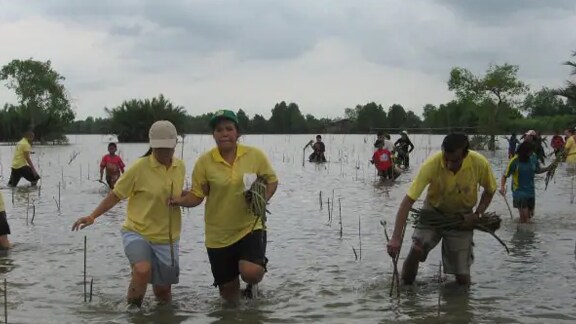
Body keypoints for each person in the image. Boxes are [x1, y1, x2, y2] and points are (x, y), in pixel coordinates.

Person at [72, 120, 186, 307]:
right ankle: (133, 313)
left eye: (168, 148)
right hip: (137, 231)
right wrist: (92, 216)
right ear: (151, 145)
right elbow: (116, 194)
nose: (164, 153)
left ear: (175, 144)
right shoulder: (138, 168)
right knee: (142, 270)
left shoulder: (179, 167)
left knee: (163, 292)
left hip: (167, 237)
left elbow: (180, 194)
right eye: (159, 148)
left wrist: (198, 197)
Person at [171, 109, 278, 303]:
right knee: (229, 301)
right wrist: (179, 201)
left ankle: (253, 278)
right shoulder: (205, 162)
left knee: (250, 272)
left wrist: (262, 200)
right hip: (218, 235)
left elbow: (272, 181)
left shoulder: (254, 155)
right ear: (214, 135)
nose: (224, 133)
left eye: (229, 129)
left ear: (238, 133)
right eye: (219, 130)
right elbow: (197, 195)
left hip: (250, 227)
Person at [386, 133, 497, 286]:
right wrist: (396, 238)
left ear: (465, 154)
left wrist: (477, 214)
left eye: (455, 160)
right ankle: (406, 291)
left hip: (462, 218)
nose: (449, 164)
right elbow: (407, 202)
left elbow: (490, 190)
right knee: (417, 248)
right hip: (433, 212)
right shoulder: (431, 164)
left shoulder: (479, 163)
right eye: (446, 158)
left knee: (463, 278)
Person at [500, 142, 552, 223]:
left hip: (531, 191)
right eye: (529, 152)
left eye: (532, 152)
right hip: (519, 192)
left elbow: (537, 170)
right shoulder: (514, 161)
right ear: (524, 152)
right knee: (525, 219)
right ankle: (521, 233)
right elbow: (505, 175)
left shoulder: (533, 157)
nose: (531, 154)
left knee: (530, 217)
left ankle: (526, 233)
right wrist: (502, 188)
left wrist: (548, 168)